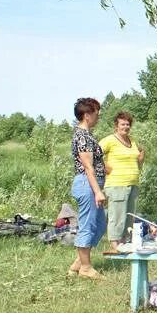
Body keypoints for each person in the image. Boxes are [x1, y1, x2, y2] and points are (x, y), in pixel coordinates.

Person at [68, 97, 106, 279]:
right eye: (96, 112)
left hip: (93, 183)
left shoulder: (88, 134)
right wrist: (97, 191)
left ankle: (79, 262)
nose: (98, 116)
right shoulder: (82, 136)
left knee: (99, 225)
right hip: (87, 184)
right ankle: (85, 268)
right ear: (86, 115)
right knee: (88, 224)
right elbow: (88, 166)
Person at [99, 111, 145, 250]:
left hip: (133, 183)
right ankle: (115, 245)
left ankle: (125, 243)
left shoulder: (132, 141)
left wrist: (141, 158)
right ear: (116, 126)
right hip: (117, 184)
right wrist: (103, 166)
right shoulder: (110, 140)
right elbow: (94, 154)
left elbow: (138, 163)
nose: (126, 126)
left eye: (128, 124)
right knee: (117, 216)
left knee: (129, 216)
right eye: (123, 124)